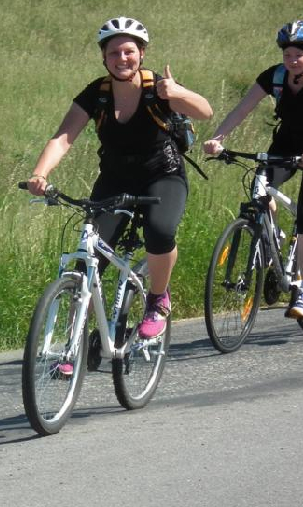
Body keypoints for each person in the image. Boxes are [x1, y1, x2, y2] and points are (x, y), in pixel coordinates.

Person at [26, 16, 213, 346]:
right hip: (115, 180)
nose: (122, 58)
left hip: (163, 176)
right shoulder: (96, 94)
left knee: (160, 230)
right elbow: (63, 138)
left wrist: (179, 92)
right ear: (103, 57)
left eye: (129, 51)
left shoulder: (159, 88)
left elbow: (205, 112)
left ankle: (157, 300)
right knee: (89, 256)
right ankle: (72, 345)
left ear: (142, 54)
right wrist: (40, 173)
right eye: (114, 53)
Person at [203, 20, 303, 319]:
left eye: (299, 55)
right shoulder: (275, 76)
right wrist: (217, 138)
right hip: (286, 143)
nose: (292, 61)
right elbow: (242, 109)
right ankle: (273, 235)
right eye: (288, 54)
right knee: (260, 188)